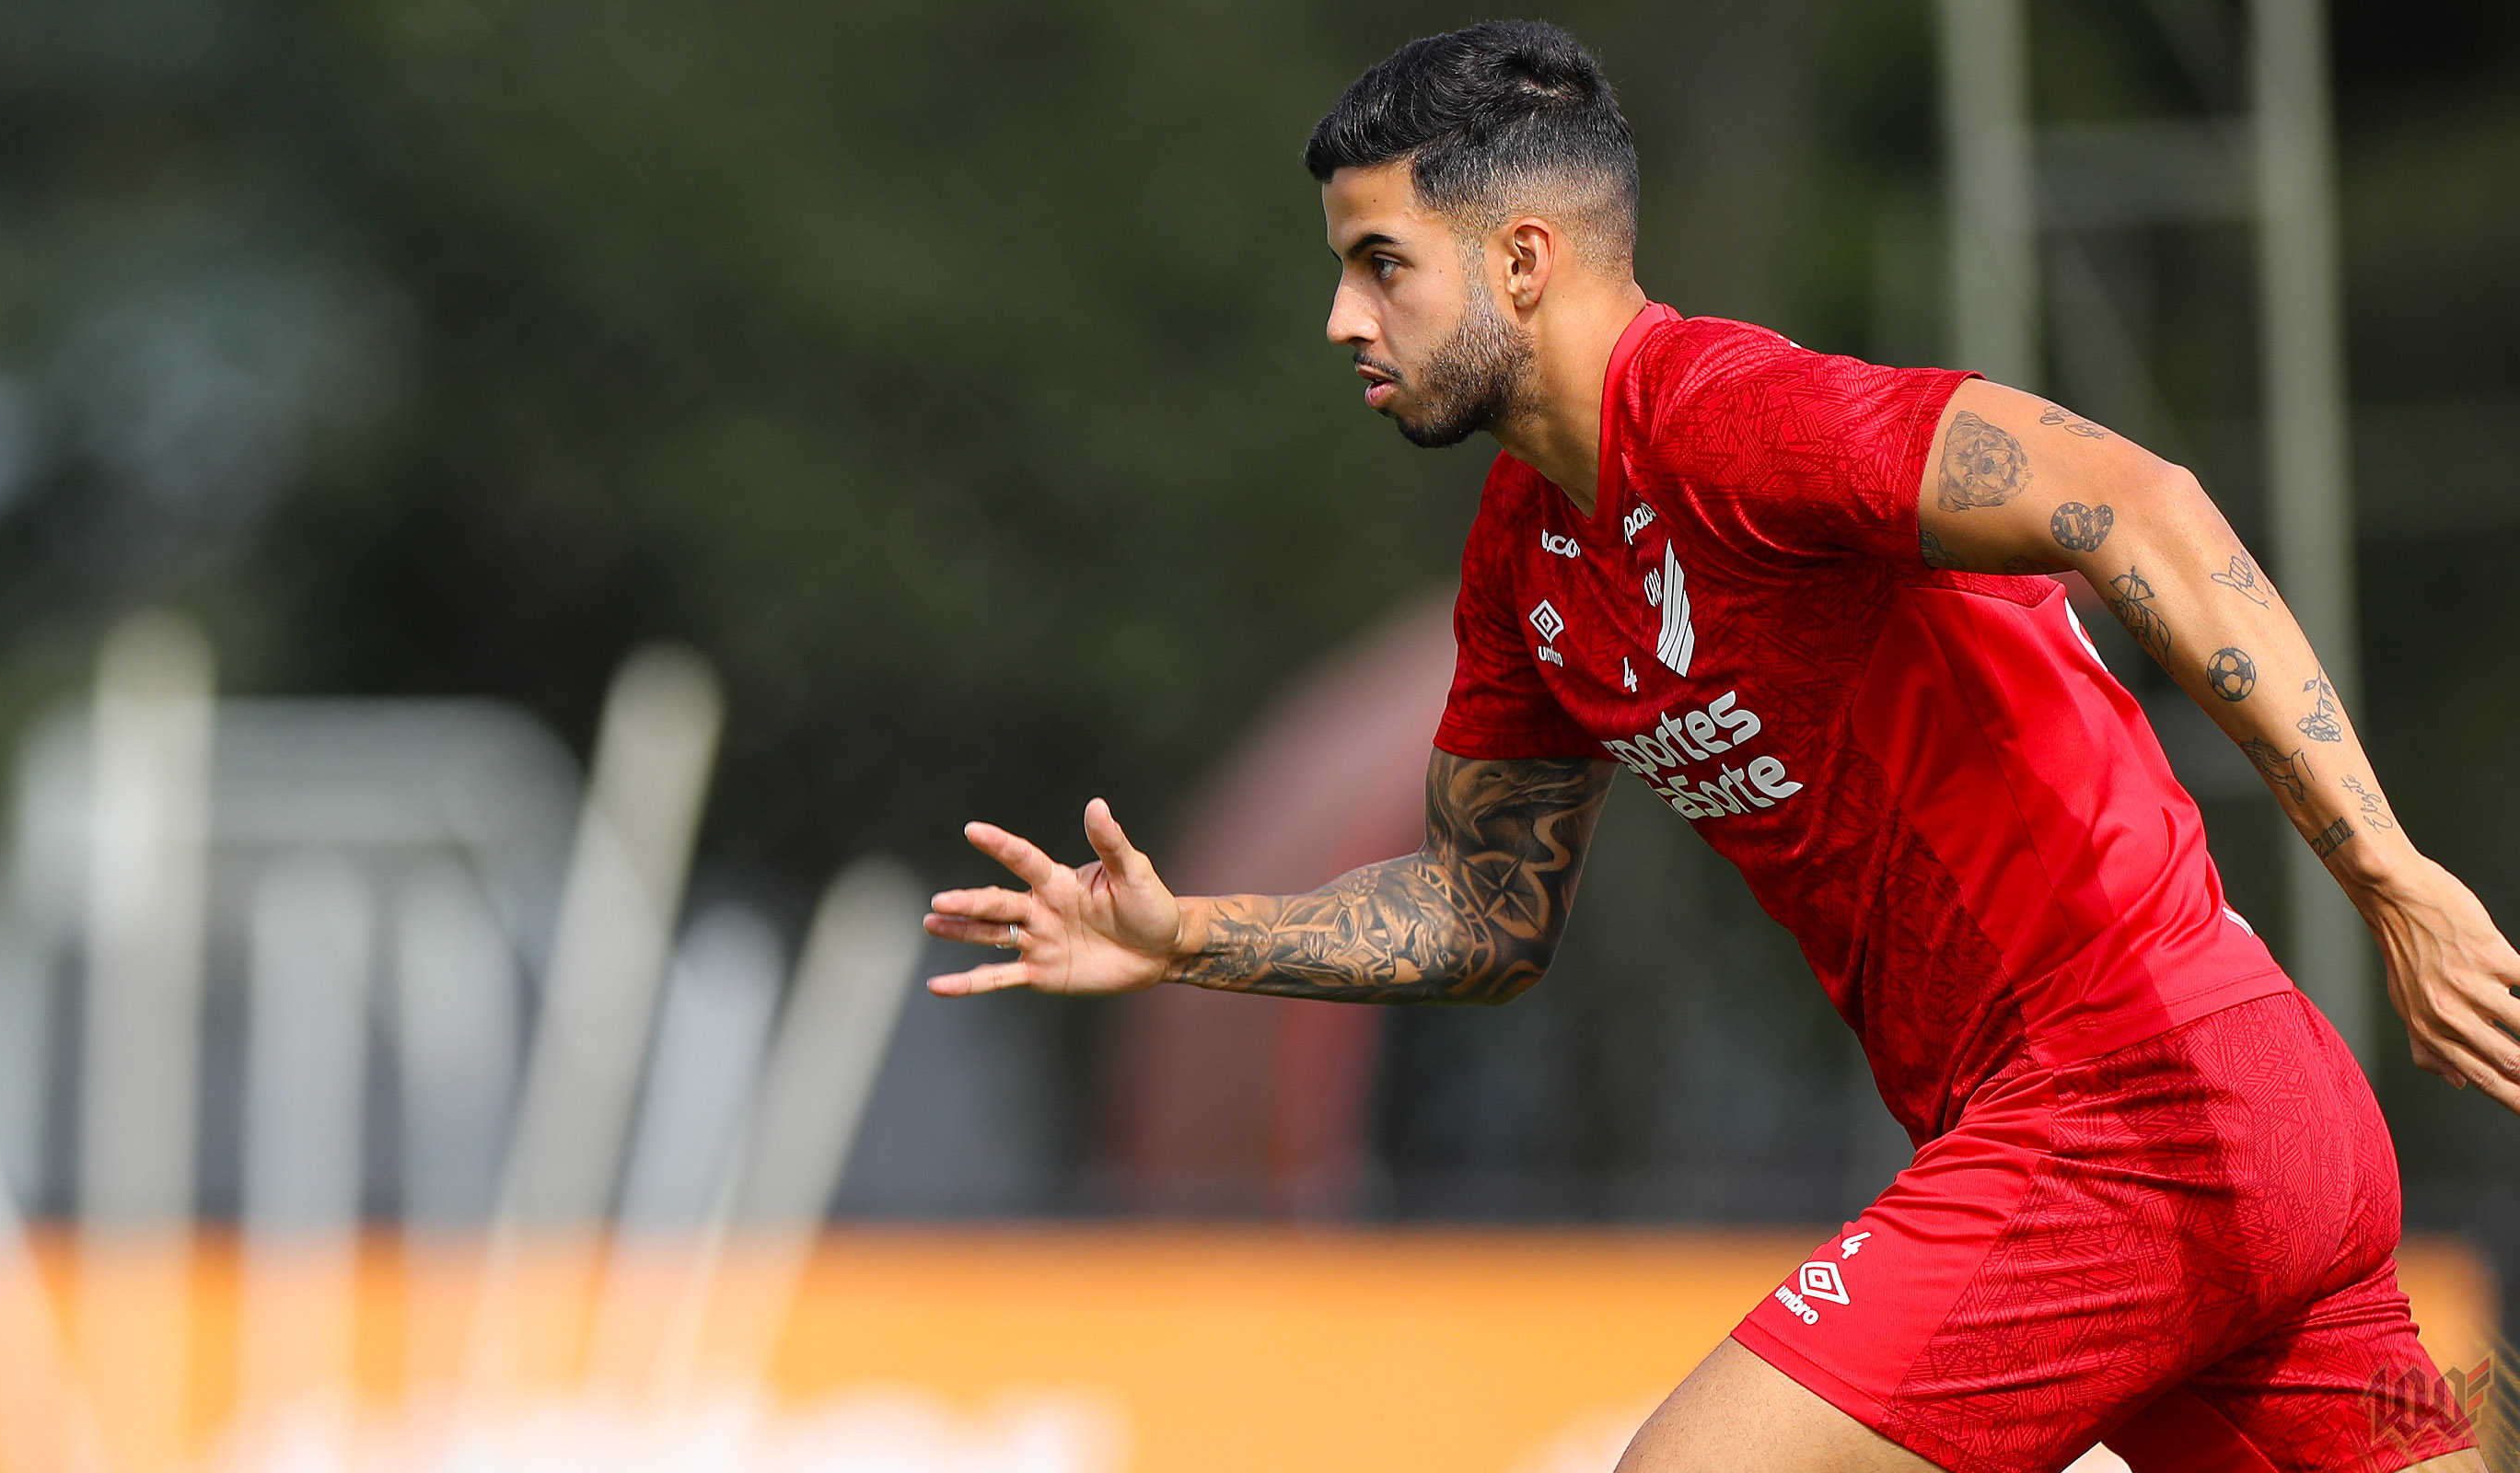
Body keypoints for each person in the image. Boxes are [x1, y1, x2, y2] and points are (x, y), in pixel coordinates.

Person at [921, 19, 2506, 1472]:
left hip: (2130, 1096)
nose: (1342, 317)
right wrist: (1186, 938)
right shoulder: (1526, 556)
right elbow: (1486, 913)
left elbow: (2137, 503)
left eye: (1380, 264)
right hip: (2229, 1125)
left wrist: (2391, 877)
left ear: (1522, 259)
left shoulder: (1736, 422)